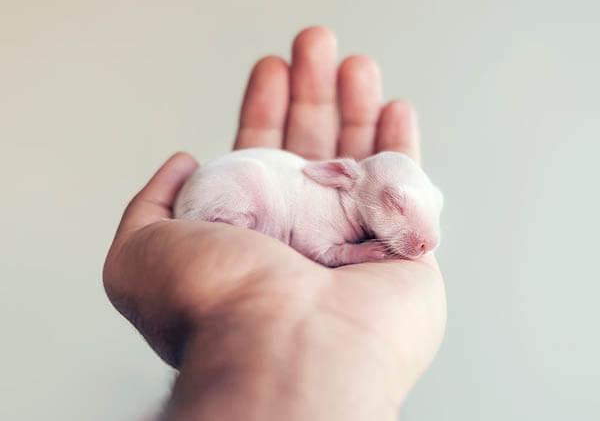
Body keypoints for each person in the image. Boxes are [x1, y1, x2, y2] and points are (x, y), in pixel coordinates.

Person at [103, 26, 446, 421]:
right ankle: (228, 220)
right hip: (228, 192)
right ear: (342, 176)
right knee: (249, 183)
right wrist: (354, 253)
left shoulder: (349, 201)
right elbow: (323, 249)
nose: (427, 242)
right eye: (396, 204)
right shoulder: (330, 201)